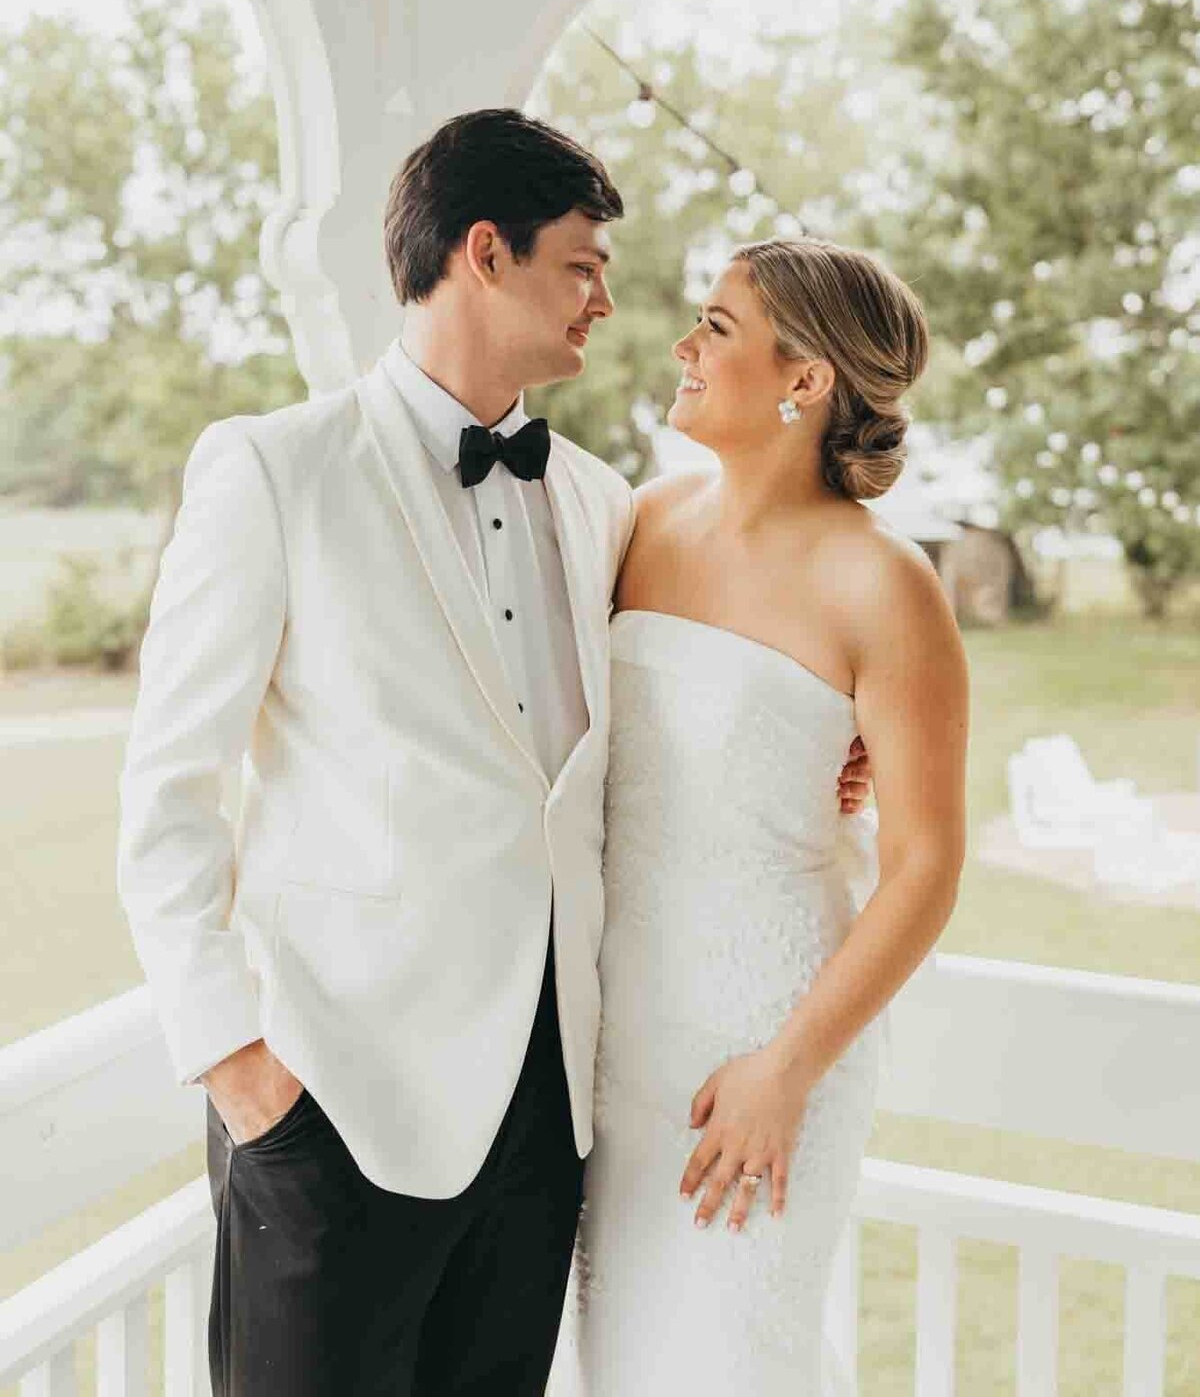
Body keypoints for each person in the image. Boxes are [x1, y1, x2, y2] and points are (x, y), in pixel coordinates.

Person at [116, 109, 870, 1397]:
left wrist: (823, 747)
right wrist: (240, 1072)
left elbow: (664, 720)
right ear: (483, 252)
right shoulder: (274, 470)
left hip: (548, 1124)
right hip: (332, 1112)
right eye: (581, 265)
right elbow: (168, 789)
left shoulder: (600, 500)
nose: (605, 301)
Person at [565, 238, 968, 1395]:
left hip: (763, 1048)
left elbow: (928, 867)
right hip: (610, 1048)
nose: (685, 347)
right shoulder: (643, 521)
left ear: (808, 381)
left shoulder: (885, 585)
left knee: (733, 1359)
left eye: (717, 327)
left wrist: (787, 1069)